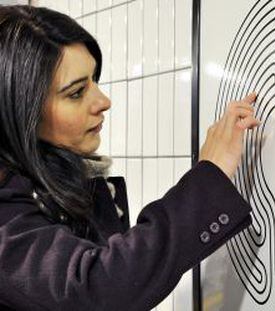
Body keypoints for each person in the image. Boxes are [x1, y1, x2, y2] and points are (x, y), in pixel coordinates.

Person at [0, 5, 260, 311]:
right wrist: (209, 176)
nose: (103, 101)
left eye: (94, 79)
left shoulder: (54, 178)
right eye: (76, 93)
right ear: (19, 111)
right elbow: (98, 288)